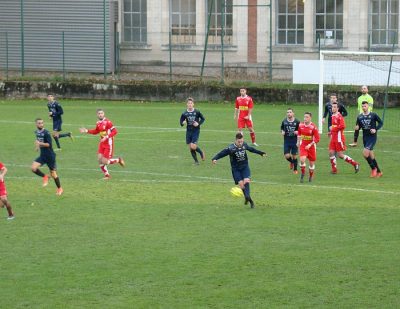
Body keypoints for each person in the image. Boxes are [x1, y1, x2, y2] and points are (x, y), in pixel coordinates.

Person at [212, 132, 267, 208]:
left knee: (246, 181)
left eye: (241, 141)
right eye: (239, 141)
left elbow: (251, 149)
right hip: (236, 169)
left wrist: (260, 153)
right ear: (235, 140)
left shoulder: (244, 145)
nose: (240, 143)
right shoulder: (231, 148)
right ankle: (249, 199)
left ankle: (248, 199)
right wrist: (215, 158)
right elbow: (222, 153)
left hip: (245, 167)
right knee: (241, 184)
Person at [79, 109, 125, 179]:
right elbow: (96, 131)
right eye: (99, 113)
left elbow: (115, 131)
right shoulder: (98, 123)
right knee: (99, 160)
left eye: (101, 113)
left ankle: (118, 160)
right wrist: (86, 131)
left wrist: (107, 137)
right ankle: (107, 175)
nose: (100, 115)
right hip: (102, 143)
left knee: (105, 162)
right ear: (97, 115)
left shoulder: (108, 122)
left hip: (108, 144)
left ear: (104, 114)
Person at [31, 118, 63, 196]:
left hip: (50, 156)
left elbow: (49, 145)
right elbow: (38, 140)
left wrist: (40, 143)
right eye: (39, 123)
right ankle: (45, 176)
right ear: (36, 124)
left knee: (53, 174)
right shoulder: (36, 132)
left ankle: (59, 188)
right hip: (43, 155)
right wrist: (37, 146)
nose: (41, 124)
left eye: (42, 123)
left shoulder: (47, 133)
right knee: (33, 168)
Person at [328, 102, 360, 174]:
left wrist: (333, 129)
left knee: (340, 155)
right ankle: (334, 169)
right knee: (331, 153)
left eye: (335, 107)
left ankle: (355, 164)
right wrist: (331, 132)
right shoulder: (333, 115)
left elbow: (342, 126)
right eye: (332, 107)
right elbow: (334, 127)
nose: (333, 108)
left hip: (339, 139)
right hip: (333, 138)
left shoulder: (339, 116)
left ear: (338, 108)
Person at [355, 101, 383, 178]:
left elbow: (381, 123)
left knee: (365, 154)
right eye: (363, 106)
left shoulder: (374, 115)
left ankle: (373, 169)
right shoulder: (360, 117)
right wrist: (355, 140)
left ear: (368, 107)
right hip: (365, 138)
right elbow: (357, 129)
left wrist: (375, 129)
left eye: (365, 106)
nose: (364, 107)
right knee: (371, 156)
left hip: (372, 137)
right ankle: (379, 172)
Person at [179, 97, 206, 165]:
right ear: (186, 104)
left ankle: (201, 152)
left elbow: (203, 118)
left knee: (193, 146)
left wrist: (198, 123)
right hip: (188, 131)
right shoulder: (184, 113)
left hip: (196, 131)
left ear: (193, 104)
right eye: (188, 103)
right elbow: (181, 122)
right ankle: (196, 161)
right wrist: (183, 123)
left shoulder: (197, 112)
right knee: (190, 148)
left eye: (191, 103)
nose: (190, 104)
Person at [297, 112, 320, 183]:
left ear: (310, 118)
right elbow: (299, 133)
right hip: (303, 145)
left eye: (307, 117)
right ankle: (303, 173)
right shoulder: (300, 125)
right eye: (304, 117)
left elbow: (317, 139)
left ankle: (310, 176)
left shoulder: (313, 127)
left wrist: (310, 144)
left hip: (311, 147)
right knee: (302, 160)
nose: (305, 118)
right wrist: (298, 142)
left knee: (311, 164)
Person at [280, 108, 300, 174]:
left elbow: (300, 130)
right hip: (287, 141)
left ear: (293, 113)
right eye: (288, 112)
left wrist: (297, 132)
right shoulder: (284, 121)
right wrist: (282, 131)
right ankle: (291, 162)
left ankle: (295, 169)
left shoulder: (297, 121)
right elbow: (282, 128)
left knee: (294, 156)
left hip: (294, 141)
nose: (289, 113)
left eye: (290, 112)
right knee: (287, 156)